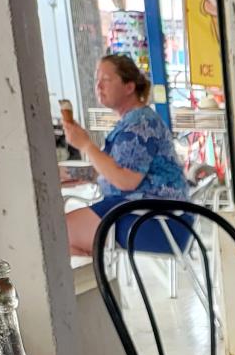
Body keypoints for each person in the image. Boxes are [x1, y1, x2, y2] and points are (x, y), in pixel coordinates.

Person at [61, 54, 191, 257]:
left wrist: (85, 145)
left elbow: (125, 180)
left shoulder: (140, 124)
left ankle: (99, 283)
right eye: (97, 80)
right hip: (148, 214)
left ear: (129, 87)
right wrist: (70, 174)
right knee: (65, 238)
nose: (99, 86)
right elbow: (112, 172)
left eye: (106, 80)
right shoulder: (133, 122)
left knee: (57, 235)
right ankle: (101, 283)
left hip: (155, 220)